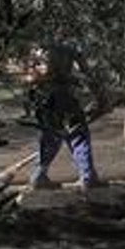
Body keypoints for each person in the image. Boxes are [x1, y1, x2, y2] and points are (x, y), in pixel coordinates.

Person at [25, 40, 107, 191]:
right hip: (62, 96)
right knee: (78, 134)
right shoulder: (68, 47)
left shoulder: (36, 49)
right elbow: (86, 72)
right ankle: (88, 177)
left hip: (41, 98)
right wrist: (100, 96)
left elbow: (30, 77)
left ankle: (38, 175)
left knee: (50, 136)